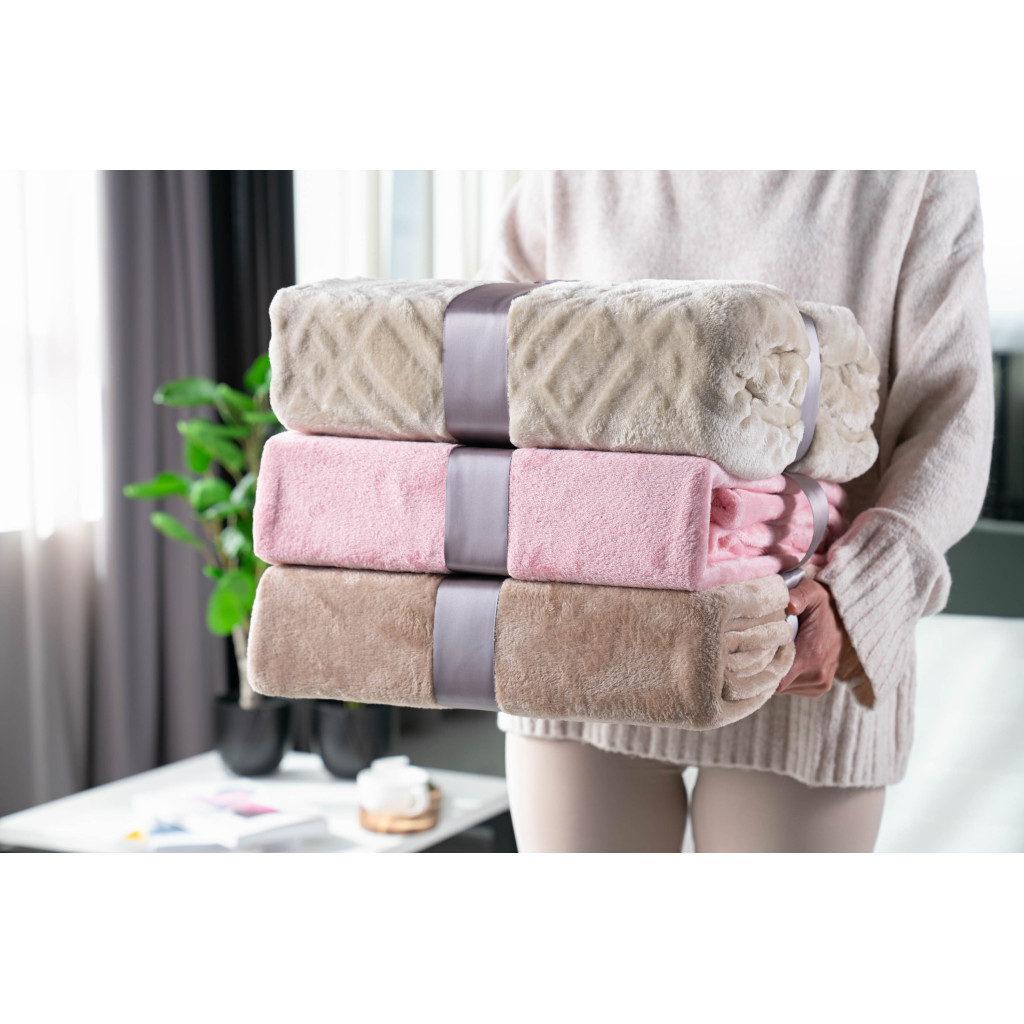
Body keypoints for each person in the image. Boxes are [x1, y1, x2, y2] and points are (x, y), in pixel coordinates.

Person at [480, 170, 994, 852]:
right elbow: (492, 358)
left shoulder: (912, 174)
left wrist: (857, 600)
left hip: (799, 645)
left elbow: (952, 415)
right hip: (577, 642)